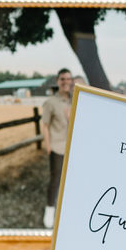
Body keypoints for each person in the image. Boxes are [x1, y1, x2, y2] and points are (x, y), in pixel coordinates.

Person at [41, 68, 74, 228]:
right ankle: (49, 211)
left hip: (72, 147)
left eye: (68, 79)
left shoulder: (74, 100)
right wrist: (48, 146)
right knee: (55, 180)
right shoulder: (51, 102)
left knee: (70, 179)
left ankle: (66, 211)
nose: (65, 82)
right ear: (57, 81)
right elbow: (45, 125)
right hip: (57, 147)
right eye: (62, 79)